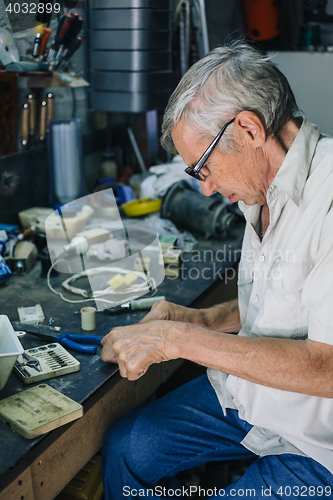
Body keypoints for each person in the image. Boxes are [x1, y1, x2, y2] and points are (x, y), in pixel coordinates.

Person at [100, 40, 333, 499]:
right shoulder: (263, 187)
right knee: (127, 448)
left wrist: (177, 340)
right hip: (254, 399)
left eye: (202, 167)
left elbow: (326, 367)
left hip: (318, 444)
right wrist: (204, 320)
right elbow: (286, 300)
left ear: (248, 129)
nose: (204, 190)